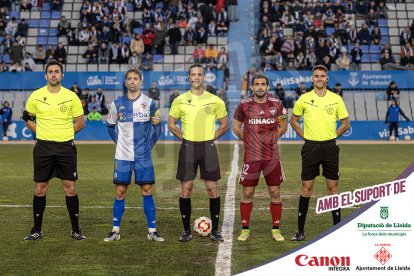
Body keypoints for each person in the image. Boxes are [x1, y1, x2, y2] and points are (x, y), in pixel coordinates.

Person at [22, 60, 86, 241]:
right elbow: (27, 119)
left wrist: (64, 134)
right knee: (40, 188)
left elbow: (80, 123)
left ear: (62, 75)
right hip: (43, 147)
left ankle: (76, 230)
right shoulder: (36, 96)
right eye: (50, 72)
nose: (53, 74)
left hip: (65, 147)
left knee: (70, 188)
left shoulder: (71, 96)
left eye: (57, 71)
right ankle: (37, 230)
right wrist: (41, 133)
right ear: (45, 75)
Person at [167, 64, 229, 242]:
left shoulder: (215, 100)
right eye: (193, 74)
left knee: (212, 189)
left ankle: (215, 231)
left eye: (199, 74)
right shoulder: (180, 100)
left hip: (207, 147)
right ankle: (186, 231)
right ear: (189, 78)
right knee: (186, 189)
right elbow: (171, 124)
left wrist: (212, 137)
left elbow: (225, 124)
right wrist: (183, 137)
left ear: (204, 77)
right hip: (188, 147)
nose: (196, 77)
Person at [290, 65, 350, 241]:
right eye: (316, 76)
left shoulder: (336, 99)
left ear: (327, 79)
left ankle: (337, 230)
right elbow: (293, 121)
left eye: (322, 76)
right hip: (311, 148)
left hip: (330, 148)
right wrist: (305, 136)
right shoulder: (304, 99)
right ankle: (300, 231)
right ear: (312, 79)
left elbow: (346, 123)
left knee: (333, 189)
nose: (319, 78)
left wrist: (333, 136)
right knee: (306, 189)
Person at [104, 68, 164, 242]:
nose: (132, 81)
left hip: (143, 156)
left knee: (147, 190)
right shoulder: (117, 104)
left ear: (140, 81)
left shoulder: (150, 103)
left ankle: (152, 230)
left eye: (135, 78)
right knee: (120, 192)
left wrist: (149, 145)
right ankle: (115, 230)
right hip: (122, 156)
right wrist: (119, 143)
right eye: (129, 78)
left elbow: (157, 127)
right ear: (126, 82)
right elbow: (110, 125)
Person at [232, 74, 288, 241]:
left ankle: (276, 230)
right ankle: (245, 229)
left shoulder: (277, 105)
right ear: (252, 87)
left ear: (267, 86)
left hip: (271, 156)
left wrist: (272, 139)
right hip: (252, 156)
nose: (260, 87)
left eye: (263, 84)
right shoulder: (244, 105)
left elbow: (283, 125)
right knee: (248, 193)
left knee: (275, 192)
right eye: (257, 84)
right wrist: (248, 140)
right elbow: (236, 127)